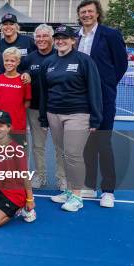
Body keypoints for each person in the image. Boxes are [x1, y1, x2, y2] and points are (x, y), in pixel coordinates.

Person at [39, 25, 102, 212]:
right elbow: (44, 92)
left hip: (78, 113)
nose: (60, 41)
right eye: (57, 38)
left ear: (73, 40)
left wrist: (96, 118)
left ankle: (76, 195)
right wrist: (44, 117)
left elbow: (95, 89)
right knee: (62, 153)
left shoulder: (84, 61)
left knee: (73, 155)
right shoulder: (48, 63)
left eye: (64, 38)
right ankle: (68, 190)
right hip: (53, 113)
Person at [77, 0, 128, 207]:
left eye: (90, 11)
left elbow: (121, 64)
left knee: (103, 143)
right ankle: (89, 185)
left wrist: (105, 86)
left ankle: (108, 190)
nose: (86, 15)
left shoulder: (111, 35)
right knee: (87, 144)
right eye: (83, 12)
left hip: (104, 98)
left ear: (97, 13)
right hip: (81, 98)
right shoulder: (75, 37)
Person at [21, 24, 62, 189]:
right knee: (38, 145)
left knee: (61, 146)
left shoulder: (60, 55)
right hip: (35, 108)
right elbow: (23, 74)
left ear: (52, 38)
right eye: (38, 37)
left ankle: (62, 178)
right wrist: (26, 74)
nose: (41, 39)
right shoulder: (29, 58)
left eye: (45, 36)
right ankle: (40, 176)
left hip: (57, 108)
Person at [0, 47, 31, 143]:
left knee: (18, 154)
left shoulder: (24, 80)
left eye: (12, 61)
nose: (9, 63)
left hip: (18, 124)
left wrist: (16, 112)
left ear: (18, 62)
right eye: (6, 60)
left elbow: (27, 103)